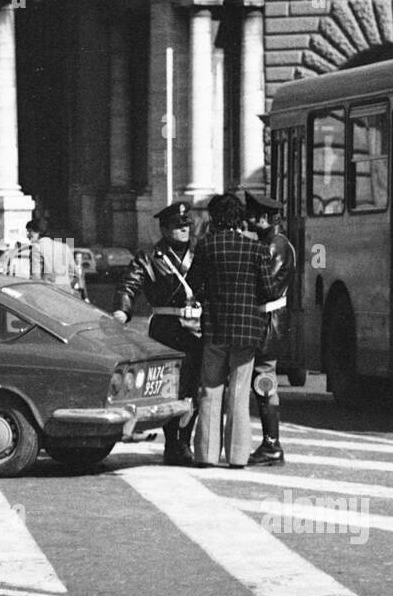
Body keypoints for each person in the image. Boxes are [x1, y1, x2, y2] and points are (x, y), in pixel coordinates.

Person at [113, 201, 203, 466]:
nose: (184, 230)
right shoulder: (149, 257)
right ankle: (172, 443)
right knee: (167, 388)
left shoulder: (201, 252)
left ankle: (184, 442)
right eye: (178, 226)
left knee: (191, 388)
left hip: (197, 330)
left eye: (187, 225)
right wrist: (122, 310)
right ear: (164, 229)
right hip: (166, 330)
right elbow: (128, 285)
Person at [190, 192, 277, 469]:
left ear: (215, 219)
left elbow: (193, 283)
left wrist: (208, 298)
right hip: (246, 330)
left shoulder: (206, 246)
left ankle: (205, 454)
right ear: (240, 219)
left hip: (214, 328)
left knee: (210, 390)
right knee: (239, 393)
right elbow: (269, 291)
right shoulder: (256, 249)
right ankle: (238, 456)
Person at [244, 192, 297, 467]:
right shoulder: (272, 243)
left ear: (264, 218)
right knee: (263, 380)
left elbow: (270, 289)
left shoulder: (275, 247)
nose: (248, 221)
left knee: (264, 381)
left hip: (269, 321)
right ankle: (270, 444)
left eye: (252, 216)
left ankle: (272, 445)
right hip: (270, 321)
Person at [26, 220, 80, 296]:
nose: (27, 235)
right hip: (66, 294)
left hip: (48, 295)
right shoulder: (64, 247)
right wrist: (66, 286)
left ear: (38, 232)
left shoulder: (36, 248)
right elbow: (76, 274)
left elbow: (36, 278)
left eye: (29, 231)